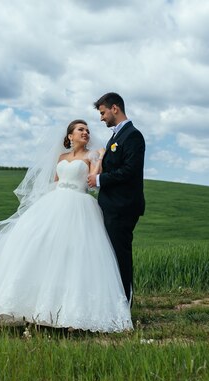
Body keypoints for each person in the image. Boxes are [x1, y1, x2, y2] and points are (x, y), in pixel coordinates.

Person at [0, 119, 133, 333]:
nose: (86, 133)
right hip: (55, 203)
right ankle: (31, 306)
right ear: (70, 136)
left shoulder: (93, 154)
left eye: (87, 130)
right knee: (38, 248)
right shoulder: (61, 157)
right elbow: (56, 181)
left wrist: (100, 158)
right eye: (80, 130)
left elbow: (93, 180)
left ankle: (71, 311)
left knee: (75, 256)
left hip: (79, 205)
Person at [87, 93, 145, 305]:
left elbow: (130, 170)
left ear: (115, 109)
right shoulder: (115, 137)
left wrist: (99, 179)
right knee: (110, 256)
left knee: (120, 257)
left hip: (123, 207)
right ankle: (114, 301)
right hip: (112, 206)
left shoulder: (133, 136)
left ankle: (125, 304)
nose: (101, 118)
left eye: (102, 113)